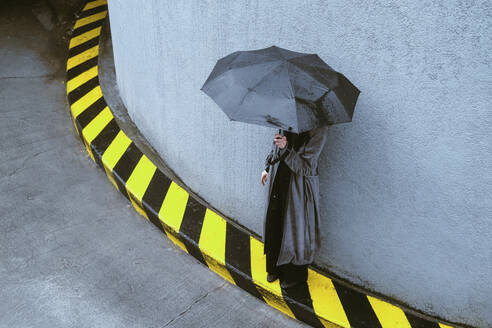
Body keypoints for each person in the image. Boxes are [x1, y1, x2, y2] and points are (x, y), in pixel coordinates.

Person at [260, 126, 329, 288]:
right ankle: (273, 268)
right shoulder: (287, 119)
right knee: (274, 221)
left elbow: (306, 168)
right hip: (278, 180)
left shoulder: (319, 129)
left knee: (295, 230)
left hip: (299, 188)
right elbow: (274, 149)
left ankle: (292, 276)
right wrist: (267, 167)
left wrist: (286, 149)